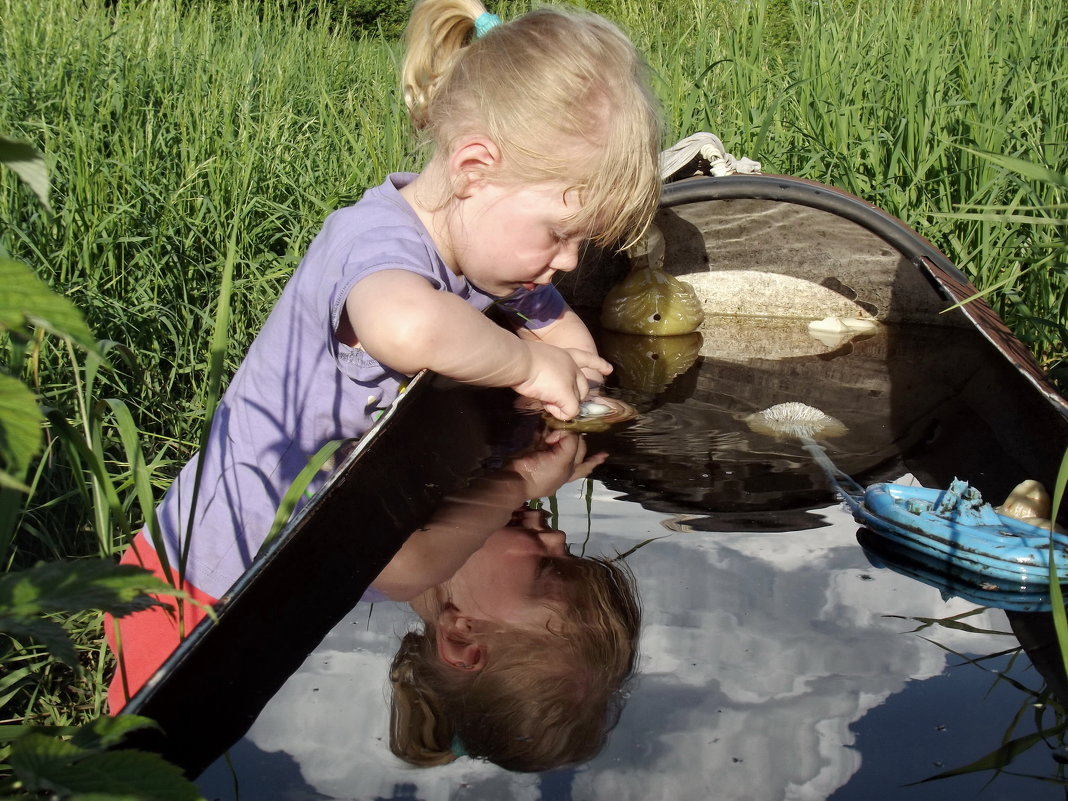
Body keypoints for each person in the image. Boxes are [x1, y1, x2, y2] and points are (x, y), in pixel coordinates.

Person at [106, 0, 660, 711]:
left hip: (280, 579)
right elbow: (405, 331)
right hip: (199, 590)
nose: (566, 261)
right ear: (472, 168)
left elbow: (555, 324)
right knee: (156, 755)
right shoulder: (377, 243)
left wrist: (574, 375)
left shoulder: (492, 251)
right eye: (560, 234)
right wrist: (527, 376)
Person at [383, 428, 641, 772]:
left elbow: (402, 568)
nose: (559, 536)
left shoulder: (371, 555)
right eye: (571, 556)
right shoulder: (466, 477)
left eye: (549, 569)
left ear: (462, 636)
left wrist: (519, 480)